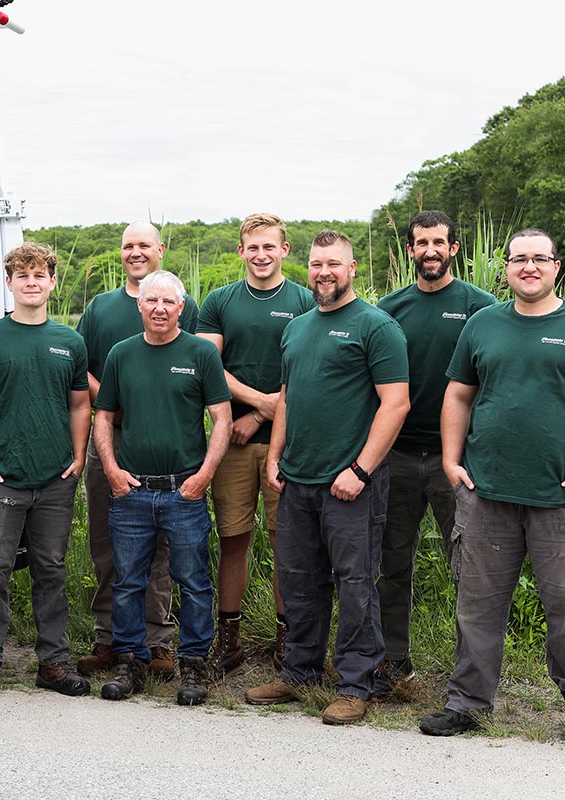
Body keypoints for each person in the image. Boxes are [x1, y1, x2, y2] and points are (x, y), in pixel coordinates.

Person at [418, 228, 565, 751]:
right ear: (507, 267)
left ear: (557, 266)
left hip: (563, 498)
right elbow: (458, 395)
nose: (529, 267)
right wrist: (451, 460)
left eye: (540, 258)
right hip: (486, 493)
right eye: (519, 259)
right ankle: (467, 704)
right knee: (477, 606)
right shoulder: (482, 324)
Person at [244, 230, 410, 725]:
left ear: (352, 268)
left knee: (355, 582)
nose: (324, 272)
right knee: (299, 581)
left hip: (351, 484)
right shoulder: (297, 327)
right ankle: (299, 673)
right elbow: (288, 396)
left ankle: (356, 683)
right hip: (298, 480)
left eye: (334, 264)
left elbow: (395, 402)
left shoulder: (376, 327)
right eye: (317, 264)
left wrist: (361, 470)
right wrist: (275, 456)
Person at [0, 243, 92, 701]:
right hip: (1, 480)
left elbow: (80, 403)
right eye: (22, 275)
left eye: (40, 274)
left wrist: (78, 458)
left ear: (52, 282)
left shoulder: (70, 341)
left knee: (51, 572)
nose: (32, 282)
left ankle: (53, 664)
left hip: (55, 479)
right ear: (10, 283)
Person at [93, 270, 232, 705]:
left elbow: (222, 419)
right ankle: (130, 661)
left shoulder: (200, 354)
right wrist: (113, 471)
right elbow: (102, 417)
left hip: (183, 492)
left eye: (169, 302)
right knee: (128, 582)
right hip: (131, 491)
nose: (159, 309)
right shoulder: (121, 354)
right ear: (140, 306)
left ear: (182, 308)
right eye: (152, 301)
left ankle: (193, 665)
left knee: (193, 581)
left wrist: (204, 475)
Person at [372, 211, 495, 699]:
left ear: (454, 248)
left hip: (458, 461)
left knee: (469, 567)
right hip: (397, 456)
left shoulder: (480, 308)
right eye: (421, 242)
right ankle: (392, 662)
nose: (430, 251)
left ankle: (471, 674)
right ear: (410, 250)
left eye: (439, 242)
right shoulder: (388, 309)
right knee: (391, 564)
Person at [75, 222, 199, 681]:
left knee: (161, 549)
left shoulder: (180, 301)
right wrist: (113, 398)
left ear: (160, 250)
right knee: (108, 545)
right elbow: (81, 367)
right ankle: (109, 638)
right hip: (108, 440)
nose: (135, 252)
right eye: (128, 246)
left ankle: (159, 641)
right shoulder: (101, 308)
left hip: (166, 449)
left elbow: (200, 367)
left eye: (144, 244)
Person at [196, 213, 315, 678]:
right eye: (252, 248)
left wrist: (264, 413)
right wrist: (254, 405)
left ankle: (289, 643)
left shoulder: (305, 300)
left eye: (270, 247)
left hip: (289, 447)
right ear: (241, 251)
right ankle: (229, 642)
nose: (261, 255)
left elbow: (310, 370)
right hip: (232, 445)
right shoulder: (221, 301)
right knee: (233, 539)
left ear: (285, 249)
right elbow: (210, 365)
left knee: (289, 546)